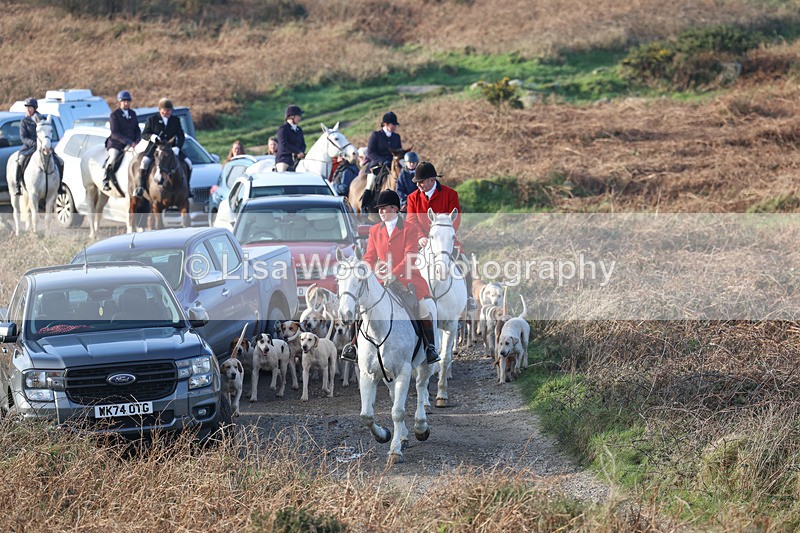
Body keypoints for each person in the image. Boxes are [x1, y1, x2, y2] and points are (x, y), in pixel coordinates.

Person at [340, 190, 439, 365]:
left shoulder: (410, 229)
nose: (381, 212)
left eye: (384, 209)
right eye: (379, 209)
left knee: (423, 309)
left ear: (395, 209)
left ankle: (430, 347)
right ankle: (354, 346)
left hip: (408, 279)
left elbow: (411, 256)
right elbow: (370, 256)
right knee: (362, 308)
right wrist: (365, 270)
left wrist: (395, 274)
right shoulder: (375, 230)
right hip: (381, 279)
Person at [405, 161, 477, 310]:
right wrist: (420, 236)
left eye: (421, 182)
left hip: (445, 238)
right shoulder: (412, 197)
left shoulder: (450, 194)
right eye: (417, 182)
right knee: (405, 262)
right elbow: (411, 220)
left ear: (432, 180)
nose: (418, 186)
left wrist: (446, 235)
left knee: (464, 261)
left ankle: (469, 296)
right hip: (422, 240)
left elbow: (455, 219)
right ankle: (408, 296)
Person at [138, 98, 192, 198]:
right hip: (155, 148)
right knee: (144, 163)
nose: (167, 112)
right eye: (165, 110)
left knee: (189, 163)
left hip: (171, 149)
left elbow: (181, 135)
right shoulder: (152, 119)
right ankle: (141, 187)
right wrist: (152, 137)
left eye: (169, 110)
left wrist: (177, 147)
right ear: (160, 110)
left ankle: (188, 187)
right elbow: (144, 134)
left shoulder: (175, 120)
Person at [15, 97, 65, 196]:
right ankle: (18, 186)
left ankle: (59, 186)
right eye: (27, 107)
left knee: (60, 161)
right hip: (29, 147)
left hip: (44, 146)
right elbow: (23, 137)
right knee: (20, 161)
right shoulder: (24, 121)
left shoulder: (42, 119)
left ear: (35, 108)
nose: (28, 109)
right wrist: (34, 143)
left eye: (30, 107)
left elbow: (47, 133)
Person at [103, 91, 140, 192]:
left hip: (132, 143)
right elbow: (115, 133)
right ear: (120, 103)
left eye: (128, 101)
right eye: (124, 101)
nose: (126, 103)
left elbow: (137, 129)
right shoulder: (114, 115)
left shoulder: (133, 114)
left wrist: (137, 140)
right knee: (113, 157)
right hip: (116, 144)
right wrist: (129, 142)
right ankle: (106, 178)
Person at [276, 105, 305, 172]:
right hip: (285, 159)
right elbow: (284, 144)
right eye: (298, 116)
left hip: (298, 159)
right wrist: (297, 152)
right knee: (282, 172)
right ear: (291, 116)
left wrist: (301, 152)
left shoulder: (299, 129)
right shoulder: (283, 129)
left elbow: (303, 144)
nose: (299, 118)